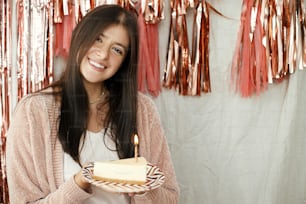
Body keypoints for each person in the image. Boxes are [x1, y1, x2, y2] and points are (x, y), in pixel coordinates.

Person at [6, 4, 179, 204]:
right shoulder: (33, 112)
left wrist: (143, 189)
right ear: (81, 36)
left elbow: (171, 198)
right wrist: (79, 184)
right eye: (98, 39)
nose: (104, 55)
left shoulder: (142, 109)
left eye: (117, 49)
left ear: (124, 61)